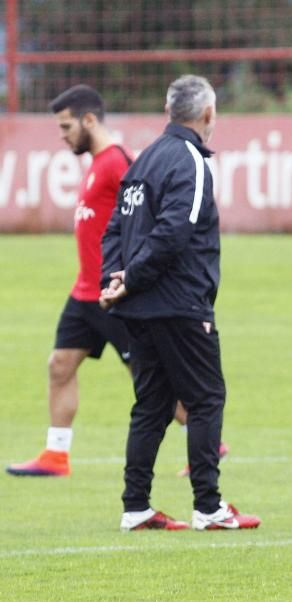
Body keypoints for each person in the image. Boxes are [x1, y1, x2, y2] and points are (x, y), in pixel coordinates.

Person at [5, 84, 228, 479]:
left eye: (67, 126)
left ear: (89, 120)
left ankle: (204, 440)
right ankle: (57, 454)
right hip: (86, 291)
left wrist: (131, 275)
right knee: (60, 365)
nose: (63, 135)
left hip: (118, 294)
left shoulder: (121, 162)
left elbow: (147, 214)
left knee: (154, 380)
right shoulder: (97, 163)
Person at [100, 74, 258, 531]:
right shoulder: (192, 161)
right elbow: (174, 233)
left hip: (139, 306)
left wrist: (113, 280)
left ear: (169, 111)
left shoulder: (143, 161)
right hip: (180, 303)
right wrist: (128, 278)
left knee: (151, 404)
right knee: (207, 398)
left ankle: (136, 506)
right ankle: (209, 507)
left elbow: (114, 230)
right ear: (208, 114)